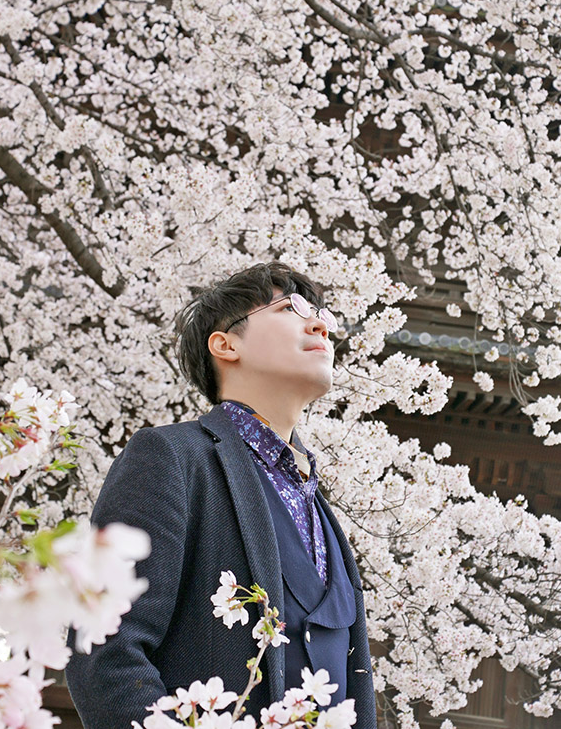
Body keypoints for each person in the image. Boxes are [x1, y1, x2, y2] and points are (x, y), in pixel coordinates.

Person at [65, 263, 376, 729]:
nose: (319, 325)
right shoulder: (171, 458)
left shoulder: (320, 509)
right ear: (225, 343)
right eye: (290, 309)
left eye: (321, 314)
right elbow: (105, 646)